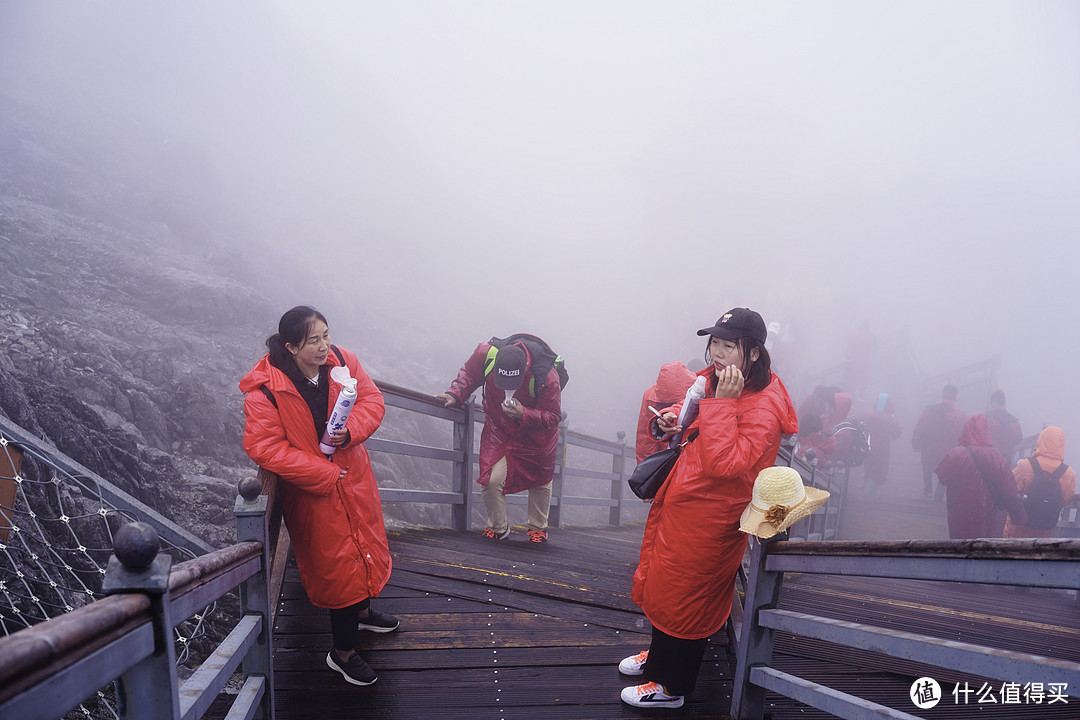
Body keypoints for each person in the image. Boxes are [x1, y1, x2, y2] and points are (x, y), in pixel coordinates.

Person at [619, 308, 798, 709]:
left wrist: (722, 403)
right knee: (667, 588)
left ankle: (672, 688)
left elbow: (725, 464)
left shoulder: (763, 408)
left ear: (753, 353)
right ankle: (660, 660)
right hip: (685, 504)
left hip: (712, 519)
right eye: (714, 342)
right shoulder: (718, 381)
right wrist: (672, 420)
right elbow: (698, 420)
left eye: (728, 345)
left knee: (689, 596)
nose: (716, 353)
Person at [239, 306, 397, 687]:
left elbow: (372, 401)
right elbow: (265, 447)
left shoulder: (343, 361)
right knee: (338, 564)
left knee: (364, 545)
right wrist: (323, 474)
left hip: (354, 478)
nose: (326, 346)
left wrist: (351, 430)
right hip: (315, 491)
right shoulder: (266, 393)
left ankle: (362, 611)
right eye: (315, 340)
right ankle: (341, 654)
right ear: (292, 347)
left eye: (326, 335)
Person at [436, 333, 563, 544]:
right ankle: (497, 527)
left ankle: (537, 528)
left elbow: (553, 416)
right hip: (499, 426)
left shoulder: (546, 376)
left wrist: (525, 414)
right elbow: (470, 373)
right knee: (491, 478)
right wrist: (455, 393)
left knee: (540, 479)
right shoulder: (486, 354)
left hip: (536, 434)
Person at [935, 415, 1027, 539]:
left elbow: (942, 477)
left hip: (959, 515)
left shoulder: (955, 454)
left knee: (958, 546)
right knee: (984, 547)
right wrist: (1019, 517)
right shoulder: (996, 457)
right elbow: (1010, 490)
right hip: (987, 517)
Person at [1004, 426, 1076, 539]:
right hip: (1045, 531)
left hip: (1018, 530)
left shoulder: (1025, 465)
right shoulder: (1069, 473)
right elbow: (1066, 499)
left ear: (1041, 440)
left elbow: (1009, 489)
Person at [911, 385, 967, 500]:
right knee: (945, 470)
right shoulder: (961, 415)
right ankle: (939, 495)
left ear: (942, 394)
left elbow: (920, 428)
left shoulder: (929, 410)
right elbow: (965, 434)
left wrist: (916, 443)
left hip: (929, 447)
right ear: (955, 397)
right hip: (949, 450)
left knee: (926, 465)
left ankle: (927, 490)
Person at [635, 361, 696, 462]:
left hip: (686, 456)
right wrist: (647, 470)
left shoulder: (700, 392)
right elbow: (645, 438)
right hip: (665, 456)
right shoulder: (650, 397)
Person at [986, 389, 1023, 464]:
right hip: (1007, 461)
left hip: (989, 460)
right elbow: (1018, 438)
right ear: (1005, 403)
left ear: (994, 403)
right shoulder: (1014, 421)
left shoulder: (987, 418)